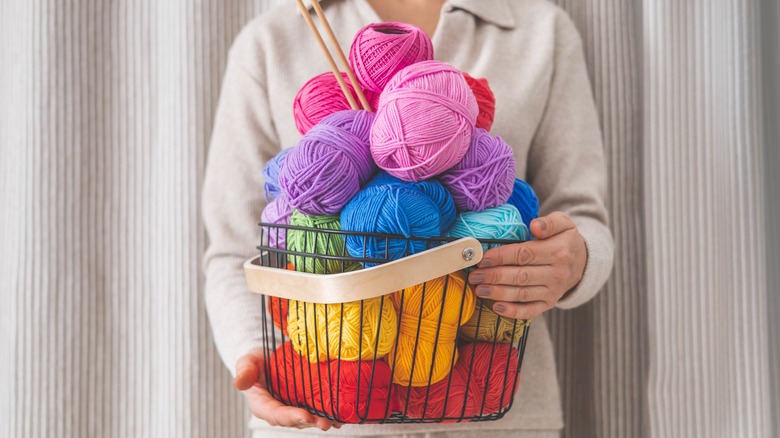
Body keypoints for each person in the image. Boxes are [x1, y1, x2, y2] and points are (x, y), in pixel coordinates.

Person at [202, 0, 614, 436]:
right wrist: (250, 350)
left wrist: (574, 261)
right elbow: (234, 247)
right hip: (324, 403)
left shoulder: (540, 28)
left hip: (496, 408)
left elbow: (581, 213)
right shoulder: (271, 39)